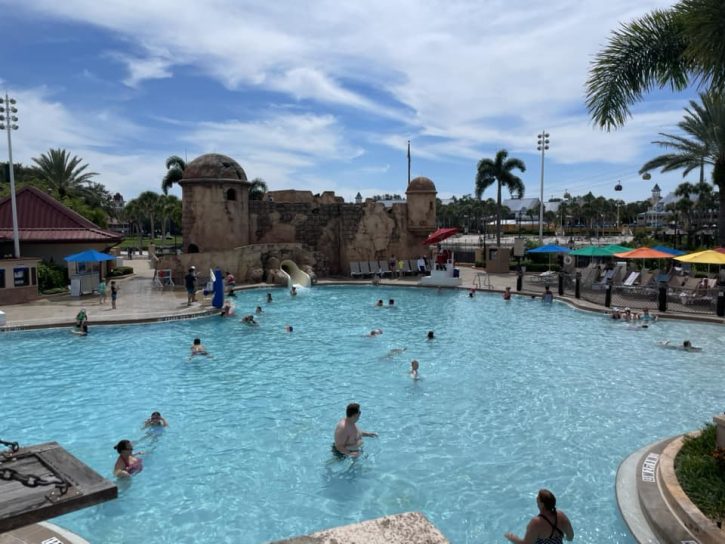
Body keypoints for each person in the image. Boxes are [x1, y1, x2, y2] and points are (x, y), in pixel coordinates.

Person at [504, 488, 574, 544]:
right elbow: (570, 537)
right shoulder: (561, 515)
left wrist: (512, 538)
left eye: (538, 497)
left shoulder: (536, 522)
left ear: (542, 504)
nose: (536, 498)